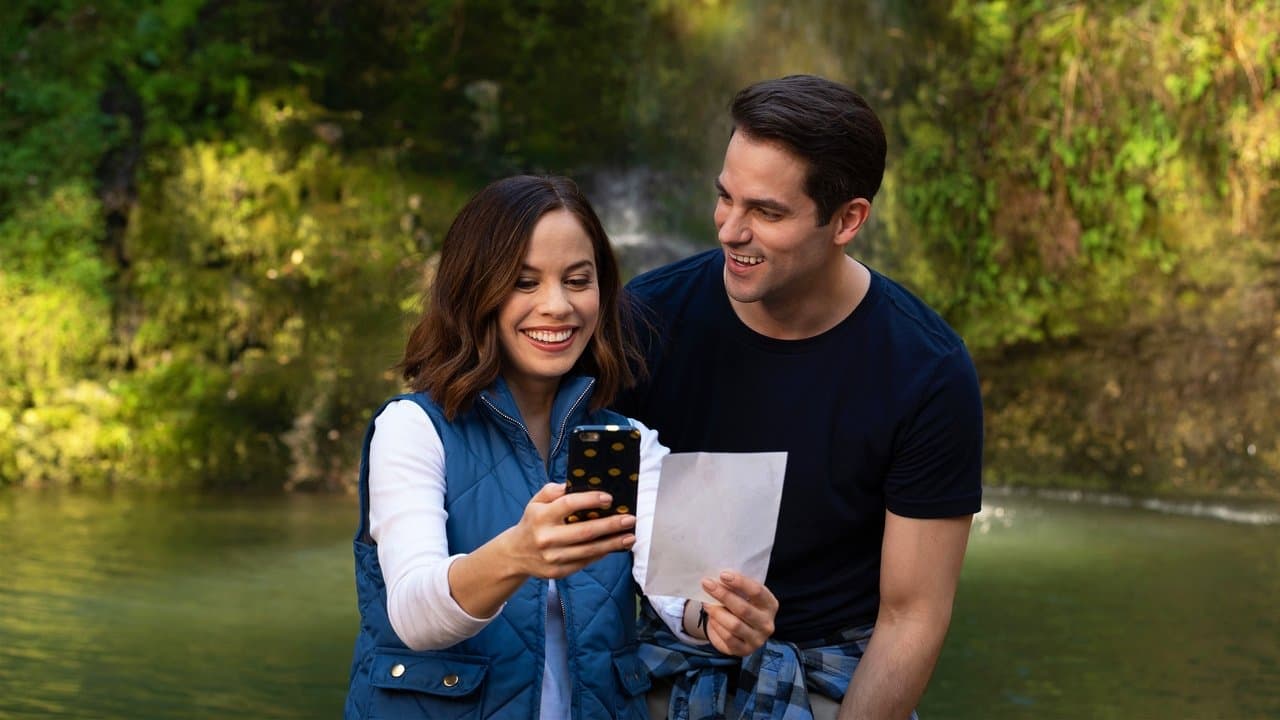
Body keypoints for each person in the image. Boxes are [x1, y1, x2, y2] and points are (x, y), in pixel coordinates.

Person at [616, 76, 984, 720]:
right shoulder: (642, 321)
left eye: (767, 212)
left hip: (831, 678)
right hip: (660, 654)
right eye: (724, 199)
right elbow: (590, 525)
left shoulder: (928, 370)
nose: (731, 230)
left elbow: (913, 615)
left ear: (848, 220)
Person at [343, 175, 778, 719]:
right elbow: (413, 614)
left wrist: (721, 617)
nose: (557, 305)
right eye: (524, 282)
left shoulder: (627, 442)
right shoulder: (413, 428)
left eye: (578, 280)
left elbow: (679, 596)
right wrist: (517, 555)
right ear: (473, 290)